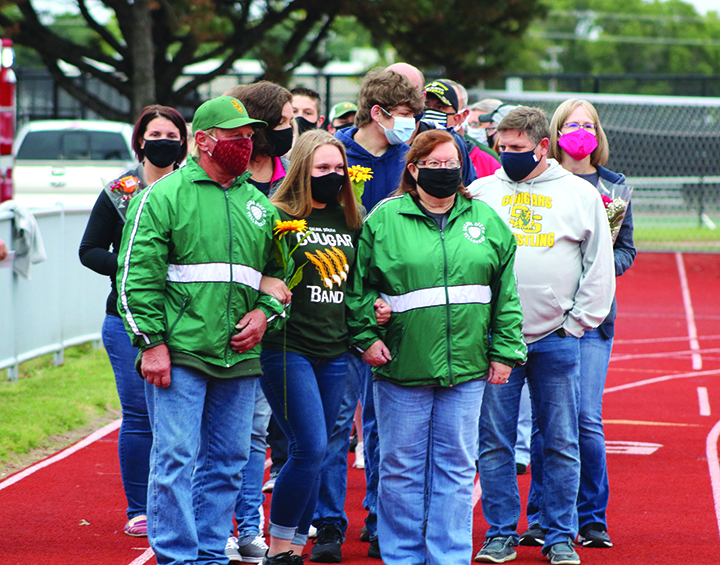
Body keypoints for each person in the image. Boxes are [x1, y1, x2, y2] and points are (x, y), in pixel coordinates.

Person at [116, 96, 288, 565]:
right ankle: (175, 556)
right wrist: (151, 345)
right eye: (237, 137)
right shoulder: (163, 195)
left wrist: (265, 313)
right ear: (206, 141)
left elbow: (279, 275)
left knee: (230, 461)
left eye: (251, 136)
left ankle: (210, 553)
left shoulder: (258, 204)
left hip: (239, 355)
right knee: (174, 459)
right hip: (180, 352)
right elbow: (135, 275)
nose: (247, 144)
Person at [346, 129, 526, 565]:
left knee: (457, 469)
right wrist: (367, 335)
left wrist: (505, 352)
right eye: (434, 164)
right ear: (413, 169)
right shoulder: (384, 219)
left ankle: (449, 557)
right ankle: (403, 556)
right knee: (401, 470)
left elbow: (505, 294)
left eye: (451, 164)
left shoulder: (486, 220)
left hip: (466, 370)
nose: (443, 171)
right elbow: (357, 290)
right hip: (401, 366)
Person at [468, 106, 616, 565]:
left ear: (542, 146)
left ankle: (559, 537)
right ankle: (500, 534)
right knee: (494, 441)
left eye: (517, 148)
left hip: (556, 336)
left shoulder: (578, 194)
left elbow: (599, 264)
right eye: (502, 147)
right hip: (497, 341)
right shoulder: (480, 191)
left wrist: (577, 323)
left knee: (561, 441)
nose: (507, 155)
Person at [312, 68, 424, 562]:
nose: (411, 126)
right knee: (338, 423)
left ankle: (382, 520)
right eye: (405, 117)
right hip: (336, 307)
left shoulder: (413, 159)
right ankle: (329, 522)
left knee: (389, 426)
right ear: (378, 113)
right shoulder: (333, 155)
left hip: (396, 310)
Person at [520, 99, 635, 550]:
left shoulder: (615, 188)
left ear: (598, 132)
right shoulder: (537, 181)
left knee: (585, 419)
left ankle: (591, 518)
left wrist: (599, 268)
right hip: (541, 320)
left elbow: (625, 249)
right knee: (541, 424)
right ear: (556, 132)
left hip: (591, 322)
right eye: (573, 124)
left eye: (589, 125)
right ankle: (540, 516)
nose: (581, 131)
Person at [78, 104, 188, 538]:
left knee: (181, 414)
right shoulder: (119, 191)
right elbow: (89, 250)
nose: (163, 142)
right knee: (140, 415)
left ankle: (182, 503)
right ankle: (139, 508)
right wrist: (133, 266)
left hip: (185, 318)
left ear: (185, 141)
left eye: (172, 134)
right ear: (140, 140)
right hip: (125, 320)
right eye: (155, 134)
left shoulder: (193, 187)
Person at [259, 130, 363, 565]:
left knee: (318, 451)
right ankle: (279, 545)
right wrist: (265, 280)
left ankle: (294, 545)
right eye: (322, 168)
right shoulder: (275, 215)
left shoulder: (351, 219)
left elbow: (362, 281)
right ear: (302, 169)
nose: (333, 175)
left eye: (338, 168)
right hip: (287, 346)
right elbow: (250, 269)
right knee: (310, 447)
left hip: (335, 351)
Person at [225, 81, 294, 196]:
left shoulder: (292, 174)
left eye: (290, 122)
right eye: (281, 122)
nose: (288, 130)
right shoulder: (226, 173)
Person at [422, 79, 479, 185]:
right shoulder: (407, 139)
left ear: (456, 119)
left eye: (439, 107)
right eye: (425, 106)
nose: (430, 111)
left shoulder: (458, 144)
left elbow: (469, 188)